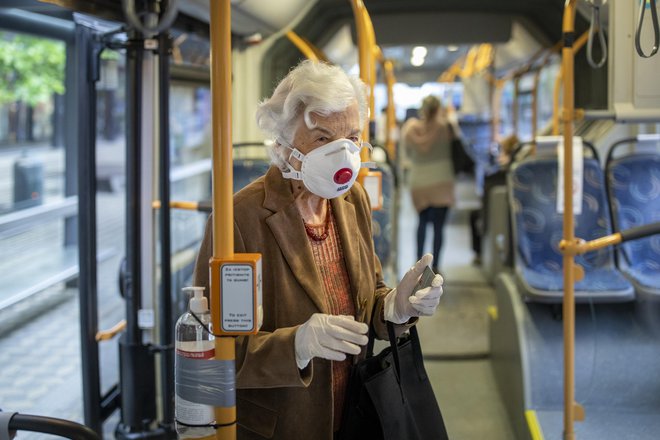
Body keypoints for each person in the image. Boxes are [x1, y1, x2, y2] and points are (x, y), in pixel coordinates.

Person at [192, 60, 444, 440]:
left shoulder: (351, 200)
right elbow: (214, 359)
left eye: (353, 137)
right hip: (283, 425)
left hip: (354, 411)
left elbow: (366, 298)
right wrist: (295, 344)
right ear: (285, 141)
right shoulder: (239, 221)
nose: (344, 156)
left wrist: (395, 306)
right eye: (324, 139)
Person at [401, 95, 456, 273]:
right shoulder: (445, 127)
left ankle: (419, 264)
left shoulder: (410, 128)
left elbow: (406, 153)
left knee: (422, 222)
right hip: (442, 181)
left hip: (419, 182)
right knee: (439, 227)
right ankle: (437, 265)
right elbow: (459, 142)